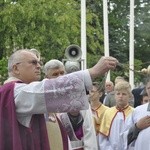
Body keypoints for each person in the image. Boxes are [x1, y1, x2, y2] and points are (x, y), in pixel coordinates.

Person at [0, 49, 118, 150]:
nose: (39, 66)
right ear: (16, 68)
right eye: (33, 62)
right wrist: (94, 71)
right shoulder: (15, 91)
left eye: (39, 62)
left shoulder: (14, 91)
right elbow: (54, 88)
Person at [43, 59, 98, 150]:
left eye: (62, 73)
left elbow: (89, 130)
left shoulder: (78, 97)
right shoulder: (41, 99)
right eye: (55, 74)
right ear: (47, 77)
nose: (60, 77)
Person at [98, 81, 134, 150]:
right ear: (114, 96)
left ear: (129, 96)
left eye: (124, 94)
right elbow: (103, 136)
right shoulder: (108, 112)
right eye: (118, 94)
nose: (120, 96)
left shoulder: (133, 113)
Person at [121, 77, 150, 150]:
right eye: (149, 88)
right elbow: (124, 138)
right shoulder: (138, 111)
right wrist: (137, 127)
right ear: (146, 90)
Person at [89, 82, 109, 149]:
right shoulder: (85, 110)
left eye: (92, 91)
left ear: (100, 94)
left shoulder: (107, 111)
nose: (90, 94)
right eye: (88, 91)